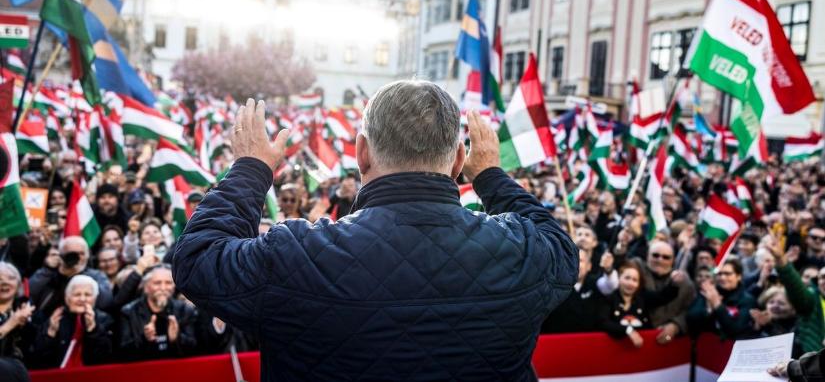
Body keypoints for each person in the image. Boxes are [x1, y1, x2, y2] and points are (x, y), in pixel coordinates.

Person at [174, 86, 578, 381]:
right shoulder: (524, 252)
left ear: (361, 152)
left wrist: (251, 167)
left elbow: (198, 259)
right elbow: (561, 246)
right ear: (459, 159)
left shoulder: (298, 253)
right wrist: (490, 174)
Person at [613, 241, 696, 345]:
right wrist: (620, 250)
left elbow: (690, 310)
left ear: (673, 260)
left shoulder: (685, 283)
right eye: (655, 255)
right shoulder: (636, 270)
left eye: (666, 257)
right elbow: (620, 268)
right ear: (647, 255)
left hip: (669, 346)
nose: (660, 260)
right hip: (631, 340)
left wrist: (676, 325)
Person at [29, 275, 113, 368]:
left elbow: (104, 358)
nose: (82, 299)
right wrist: (50, 333)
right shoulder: (55, 318)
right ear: (67, 298)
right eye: (77, 294)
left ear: (95, 299)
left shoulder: (105, 319)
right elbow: (39, 359)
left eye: (87, 295)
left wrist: (93, 330)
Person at [596, 261, 682, 348]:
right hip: (615, 349)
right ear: (619, 278)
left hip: (644, 349)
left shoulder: (643, 297)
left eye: (635, 280)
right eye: (627, 278)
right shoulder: (609, 299)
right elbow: (603, 323)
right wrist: (628, 330)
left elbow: (663, 297)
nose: (630, 283)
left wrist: (675, 282)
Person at [119, 265, 197, 361]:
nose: (163, 288)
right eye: (157, 283)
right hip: (143, 371)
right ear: (146, 287)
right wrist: (145, 338)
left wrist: (177, 338)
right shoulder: (129, 312)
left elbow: (195, 349)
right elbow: (123, 354)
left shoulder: (185, 310)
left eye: (168, 283)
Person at [29, 237, 112, 315]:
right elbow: (30, 291)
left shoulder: (96, 275)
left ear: (87, 256)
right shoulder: (50, 273)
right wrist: (47, 270)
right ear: (61, 255)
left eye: (81, 253)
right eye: (72, 254)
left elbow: (106, 301)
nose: (78, 258)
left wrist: (80, 275)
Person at [687, 258, 756, 340]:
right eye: (719, 274)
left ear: (739, 276)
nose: (722, 277)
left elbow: (736, 329)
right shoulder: (709, 292)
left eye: (727, 274)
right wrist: (708, 310)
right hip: (707, 345)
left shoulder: (747, 300)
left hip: (733, 347)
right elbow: (691, 318)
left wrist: (717, 305)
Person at [541, 248, 600, 333]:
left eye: (580, 260)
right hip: (558, 342)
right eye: (572, 260)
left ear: (589, 266)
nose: (575, 264)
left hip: (589, 342)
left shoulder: (596, 286)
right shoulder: (551, 288)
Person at [0, 263, 34, 382]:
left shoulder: (31, 311)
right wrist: (10, 324)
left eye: (10, 278)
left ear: (19, 284)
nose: (4, 283)